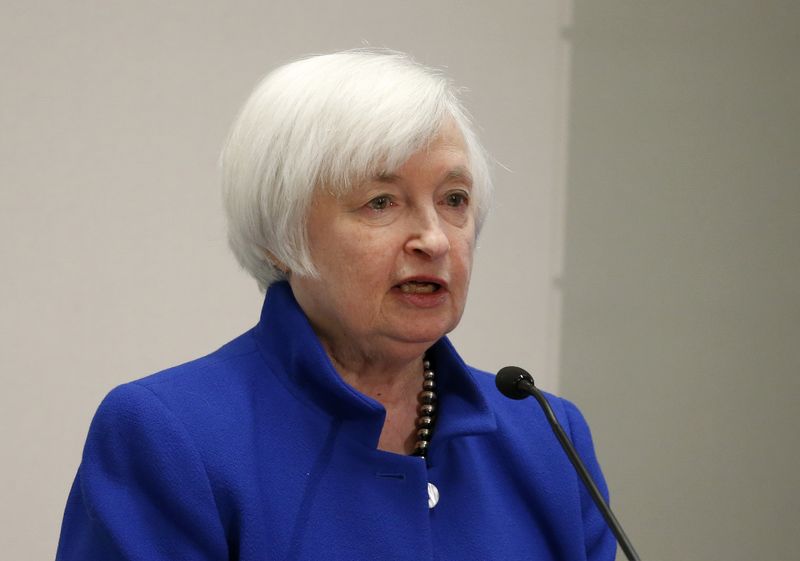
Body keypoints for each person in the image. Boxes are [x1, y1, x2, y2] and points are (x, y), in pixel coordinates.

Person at [56, 49, 615, 561]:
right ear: (281, 234)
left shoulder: (547, 436)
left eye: (454, 200)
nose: (435, 239)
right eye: (381, 202)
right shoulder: (169, 436)